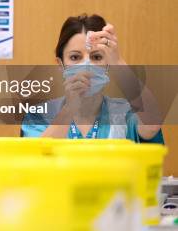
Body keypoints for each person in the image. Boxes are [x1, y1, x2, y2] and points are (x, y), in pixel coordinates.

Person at [21, 14, 163, 142]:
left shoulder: (125, 114)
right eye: (75, 57)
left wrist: (118, 61)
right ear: (60, 64)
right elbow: (37, 157)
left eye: (96, 57)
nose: (86, 66)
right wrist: (70, 108)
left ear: (107, 64)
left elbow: (152, 126)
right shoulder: (38, 117)